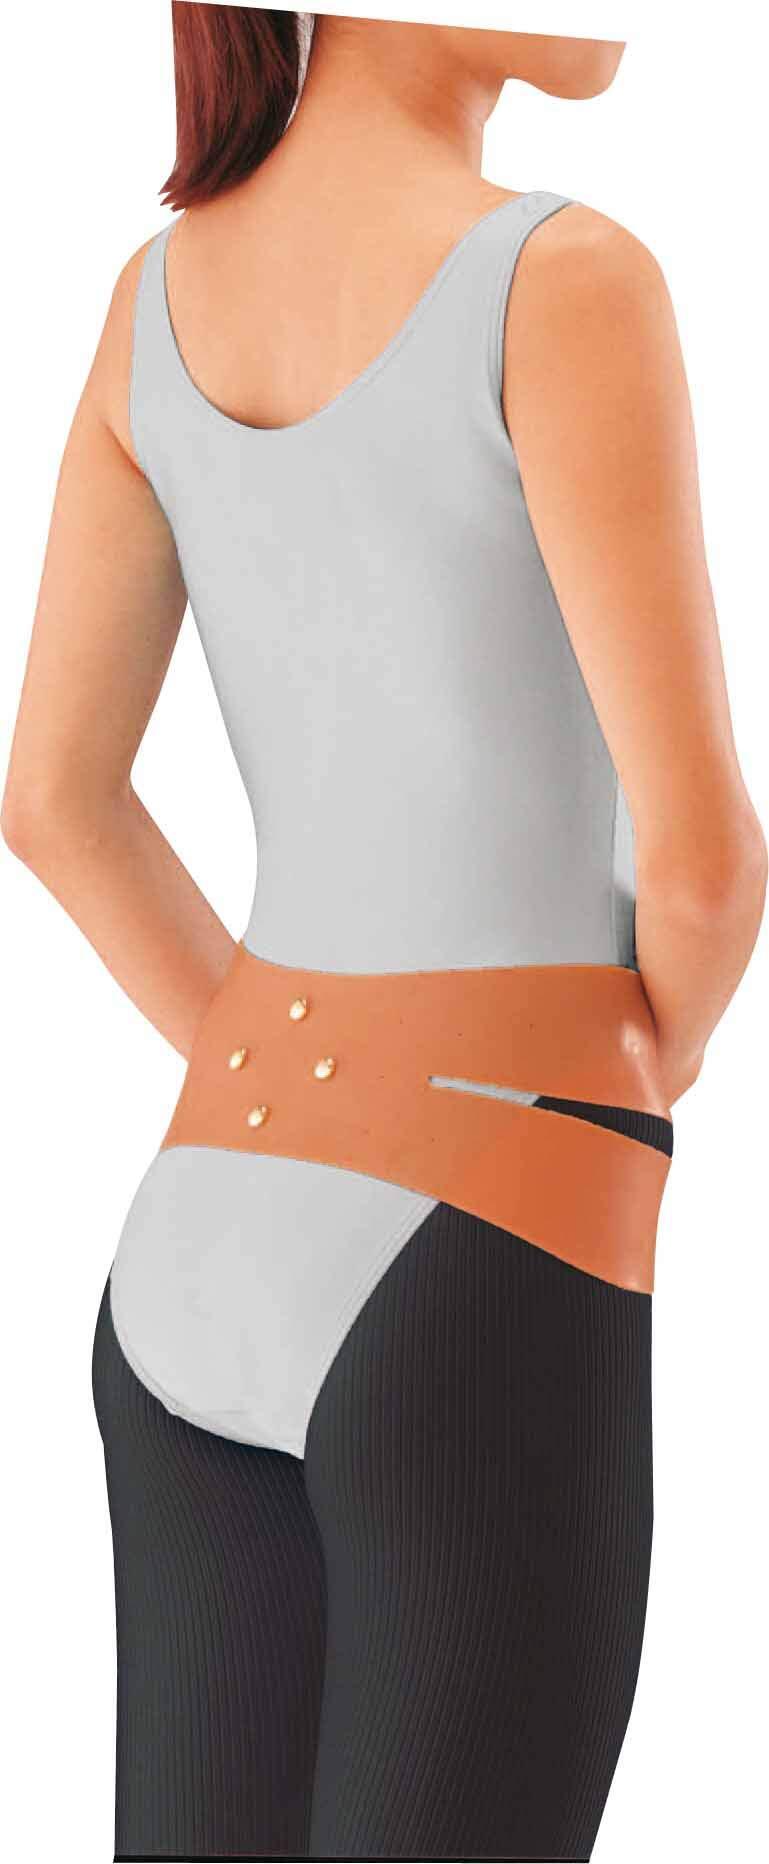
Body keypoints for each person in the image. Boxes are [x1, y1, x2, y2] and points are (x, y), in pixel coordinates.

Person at [3, 8, 765, 1860]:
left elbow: (53, 800)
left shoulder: (151, 301)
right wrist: (605, 1087)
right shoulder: (557, 274)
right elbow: (701, 868)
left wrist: (303, 1073)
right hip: (477, 1247)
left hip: (195, 1243)